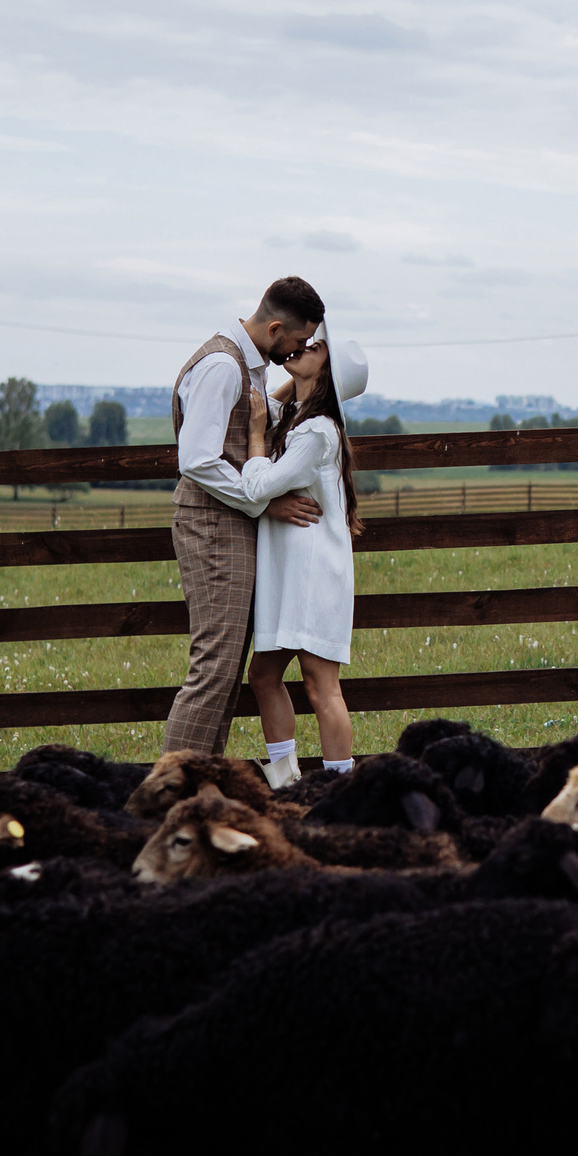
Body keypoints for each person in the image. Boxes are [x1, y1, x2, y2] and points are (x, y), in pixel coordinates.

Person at [160, 277, 325, 757]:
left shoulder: (245, 365)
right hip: (212, 527)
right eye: (295, 342)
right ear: (275, 328)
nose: (297, 350)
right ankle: (172, 787)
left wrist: (316, 372)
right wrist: (264, 501)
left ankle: (200, 781)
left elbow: (259, 416)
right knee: (214, 668)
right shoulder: (222, 368)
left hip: (224, 524)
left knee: (227, 668)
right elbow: (197, 459)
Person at [243, 334, 369, 789]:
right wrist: (294, 383)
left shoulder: (316, 432)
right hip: (288, 570)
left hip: (314, 572)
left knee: (320, 685)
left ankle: (341, 789)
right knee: (263, 675)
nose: (303, 346)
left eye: (316, 347)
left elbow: (258, 487)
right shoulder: (300, 419)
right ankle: (286, 780)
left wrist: (257, 438)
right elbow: (275, 407)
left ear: (327, 372)